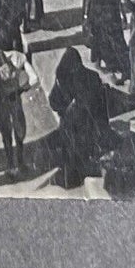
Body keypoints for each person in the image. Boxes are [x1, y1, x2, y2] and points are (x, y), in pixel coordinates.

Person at [47, 47, 115, 189]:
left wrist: (64, 109)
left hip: (71, 125)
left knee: (71, 152)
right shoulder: (92, 76)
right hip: (90, 125)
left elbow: (54, 101)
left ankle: (71, 178)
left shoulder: (62, 78)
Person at [83, 0, 131, 85]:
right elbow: (88, 1)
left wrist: (122, 13)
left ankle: (112, 64)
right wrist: (87, 17)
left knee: (111, 41)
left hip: (109, 16)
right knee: (101, 41)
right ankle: (103, 64)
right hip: (100, 17)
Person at [0, 47, 39, 177]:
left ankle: (11, 165)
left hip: (1, 99)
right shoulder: (19, 57)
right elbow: (34, 78)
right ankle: (20, 162)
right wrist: (21, 89)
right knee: (19, 128)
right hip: (15, 97)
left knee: (6, 130)